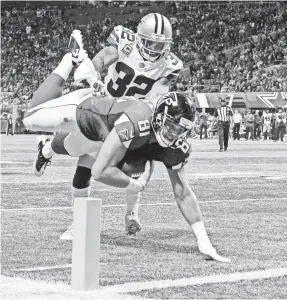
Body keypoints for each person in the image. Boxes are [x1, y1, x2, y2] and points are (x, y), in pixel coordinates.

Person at [23, 56, 230, 263]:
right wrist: (134, 184)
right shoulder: (138, 120)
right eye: (171, 127)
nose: (174, 135)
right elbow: (99, 172)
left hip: (107, 136)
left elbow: (183, 193)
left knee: (79, 149)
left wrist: (204, 241)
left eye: (180, 130)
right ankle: (70, 59)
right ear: (157, 119)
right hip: (88, 112)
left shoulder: (174, 144)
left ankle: (47, 149)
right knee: (29, 118)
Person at [29, 14, 184, 238]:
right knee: (78, 154)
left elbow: (157, 91)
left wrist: (143, 110)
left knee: (137, 165)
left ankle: (131, 214)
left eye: (161, 44)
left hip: (131, 116)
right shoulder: (125, 40)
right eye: (150, 42)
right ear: (140, 38)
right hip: (103, 111)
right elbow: (100, 61)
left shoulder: (170, 63)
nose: (155, 49)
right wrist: (97, 78)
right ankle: (46, 150)